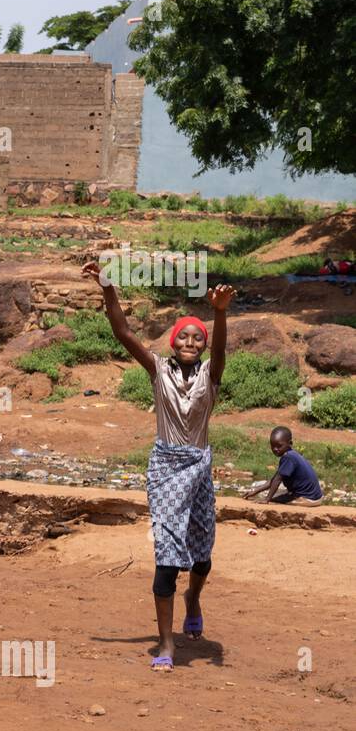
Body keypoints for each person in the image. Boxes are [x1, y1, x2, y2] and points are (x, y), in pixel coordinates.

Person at [83, 261, 235, 671]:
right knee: (167, 557)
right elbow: (123, 333)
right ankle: (167, 644)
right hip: (166, 467)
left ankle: (194, 597)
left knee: (202, 557)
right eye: (183, 336)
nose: (190, 341)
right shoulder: (157, 370)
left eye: (196, 338)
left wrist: (218, 314)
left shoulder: (211, 374)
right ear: (172, 342)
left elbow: (221, 350)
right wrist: (108, 287)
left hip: (199, 467)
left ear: (202, 347)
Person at [244, 426, 324, 506]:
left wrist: (267, 499)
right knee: (275, 497)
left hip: (307, 498)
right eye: (273, 446)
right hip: (316, 497)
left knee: (274, 500)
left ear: (290, 444)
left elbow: (277, 481)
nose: (275, 449)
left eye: (279, 446)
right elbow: (274, 480)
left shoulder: (288, 457)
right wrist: (255, 491)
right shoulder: (292, 455)